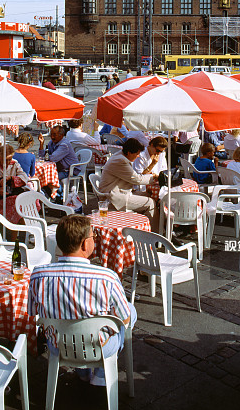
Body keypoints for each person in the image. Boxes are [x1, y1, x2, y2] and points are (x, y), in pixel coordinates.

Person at [28, 214, 135, 386]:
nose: (95, 239)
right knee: (130, 312)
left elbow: (34, 313)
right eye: (93, 236)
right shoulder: (107, 278)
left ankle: (83, 373)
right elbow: (125, 319)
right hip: (99, 348)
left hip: (58, 346)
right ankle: (101, 374)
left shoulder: (38, 275)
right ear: (85, 244)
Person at [98, 137, 158, 219]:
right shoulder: (121, 160)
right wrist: (153, 177)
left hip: (120, 191)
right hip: (113, 197)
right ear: (129, 153)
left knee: (150, 195)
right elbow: (137, 179)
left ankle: (142, 223)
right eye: (137, 154)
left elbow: (134, 177)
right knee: (150, 203)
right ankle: (153, 227)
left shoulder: (121, 155)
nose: (138, 156)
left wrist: (149, 176)